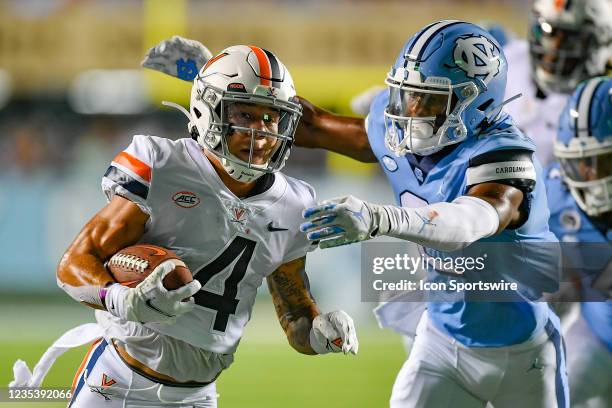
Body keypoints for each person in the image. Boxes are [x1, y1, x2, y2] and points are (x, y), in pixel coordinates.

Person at [48, 45, 358, 407]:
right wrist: (121, 299)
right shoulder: (162, 166)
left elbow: (295, 315)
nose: (260, 133)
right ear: (207, 111)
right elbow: (73, 266)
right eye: (245, 115)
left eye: (271, 118)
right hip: (117, 383)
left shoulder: (294, 205)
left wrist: (320, 334)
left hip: (198, 396)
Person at [297, 20, 566, 407]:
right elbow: (315, 126)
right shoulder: (403, 131)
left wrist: (378, 219)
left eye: (432, 100)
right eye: (409, 95)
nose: (414, 111)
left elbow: (467, 222)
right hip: (441, 339)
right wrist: (228, 79)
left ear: (478, 104)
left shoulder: (506, 155)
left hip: (527, 352)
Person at [545, 76, 612, 408]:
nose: (593, 178)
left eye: (604, 161)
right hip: (598, 335)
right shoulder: (554, 194)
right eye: (583, 164)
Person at [503, 0, 612, 166]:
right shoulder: (510, 62)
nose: (553, 50)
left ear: (601, 46)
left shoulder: (603, 102)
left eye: (570, 40)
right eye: (549, 33)